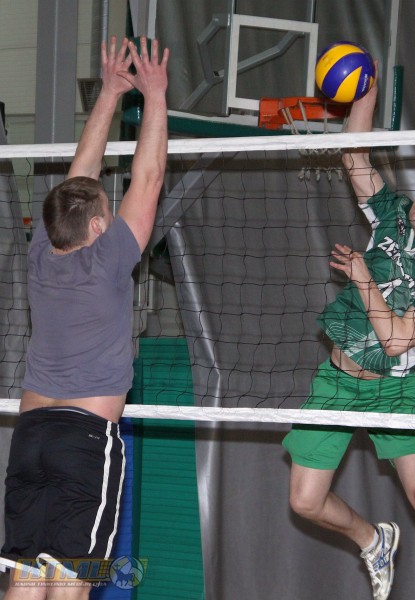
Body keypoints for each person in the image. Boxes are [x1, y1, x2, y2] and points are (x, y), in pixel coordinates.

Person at [282, 72, 415, 600]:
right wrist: (363, 94)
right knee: (304, 501)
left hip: (392, 389)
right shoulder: (392, 218)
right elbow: (354, 156)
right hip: (337, 381)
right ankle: (373, 540)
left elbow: (395, 342)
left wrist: (364, 278)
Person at [0, 35, 169, 598]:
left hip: (29, 438)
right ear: (98, 227)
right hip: (85, 441)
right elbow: (148, 178)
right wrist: (155, 94)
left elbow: (79, 180)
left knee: (26, 577)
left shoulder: (41, 252)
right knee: (71, 584)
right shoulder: (107, 259)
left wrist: (111, 93)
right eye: (105, 210)